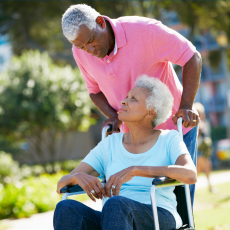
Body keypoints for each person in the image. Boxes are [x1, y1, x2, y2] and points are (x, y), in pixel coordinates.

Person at [61, 4, 202, 204]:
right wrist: (112, 115)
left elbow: (191, 57)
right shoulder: (81, 52)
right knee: (130, 205)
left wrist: (186, 105)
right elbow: (94, 91)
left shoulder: (145, 30)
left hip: (175, 128)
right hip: (132, 140)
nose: (89, 50)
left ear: (101, 22)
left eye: (91, 41)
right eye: (82, 46)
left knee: (181, 207)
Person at [54, 75, 197, 230]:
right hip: (114, 217)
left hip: (158, 214)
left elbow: (190, 174)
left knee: (116, 204)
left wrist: (136, 170)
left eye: (133, 99)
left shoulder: (169, 138)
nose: (123, 101)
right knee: (66, 208)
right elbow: (61, 184)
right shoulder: (110, 144)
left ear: (151, 112)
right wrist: (76, 177)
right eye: (126, 97)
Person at [194, 102, 215, 192]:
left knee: (207, 168)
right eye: (201, 113)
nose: (203, 115)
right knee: (198, 170)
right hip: (198, 150)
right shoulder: (195, 124)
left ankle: (210, 186)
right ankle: (190, 187)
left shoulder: (205, 123)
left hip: (205, 150)